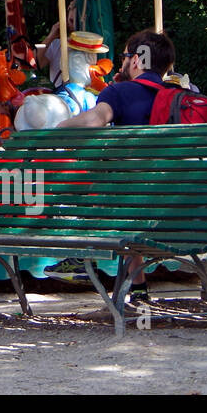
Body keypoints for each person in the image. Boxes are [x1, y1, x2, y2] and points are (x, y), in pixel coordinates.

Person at [54, 28, 176, 302]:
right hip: (179, 210)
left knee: (97, 184)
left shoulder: (120, 91)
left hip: (128, 204)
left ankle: (82, 259)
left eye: (125, 56)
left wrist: (58, 128)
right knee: (126, 192)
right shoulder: (182, 95)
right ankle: (139, 290)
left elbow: (95, 120)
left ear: (136, 61)